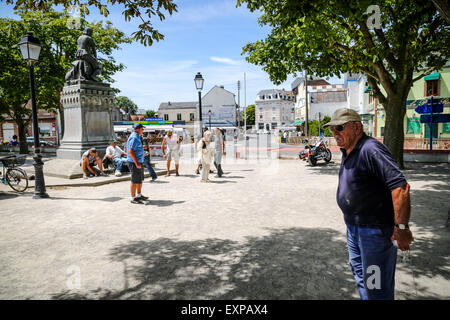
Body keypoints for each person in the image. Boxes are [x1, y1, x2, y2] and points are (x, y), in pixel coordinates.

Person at [323, 108, 414, 300]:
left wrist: (402, 228)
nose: (335, 133)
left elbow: (401, 188)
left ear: (356, 127)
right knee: (361, 278)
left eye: (339, 127)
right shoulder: (348, 149)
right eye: (332, 129)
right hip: (354, 229)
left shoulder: (370, 149)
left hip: (374, 233)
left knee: (375, 285)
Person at [127, 123, 149, 204]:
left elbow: (134, 148)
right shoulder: (134, 137)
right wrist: (136, 163)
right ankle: (133, 198)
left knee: (139, 179)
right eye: (142, 129)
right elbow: (131, 151)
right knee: (134, 180)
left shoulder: (137, 136)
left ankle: (139, 195)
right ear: (138, 129)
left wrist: (142, 148)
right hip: (134, 162)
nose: (143, 130)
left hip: (138, 161)